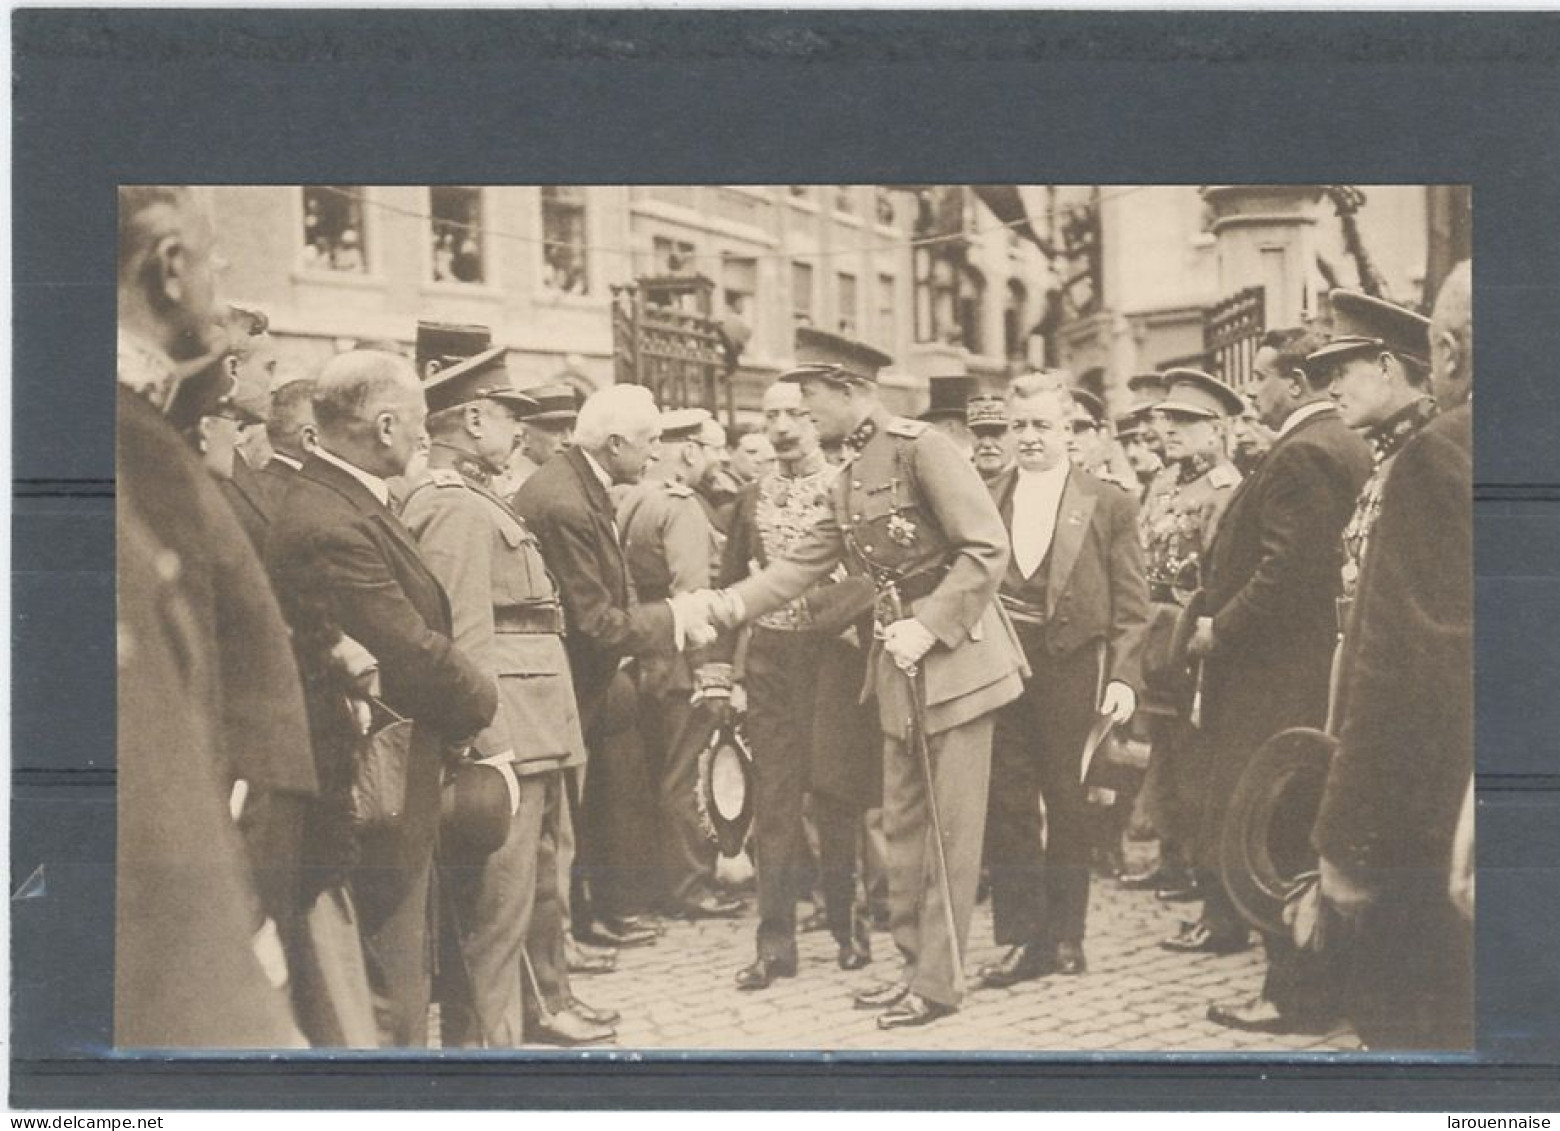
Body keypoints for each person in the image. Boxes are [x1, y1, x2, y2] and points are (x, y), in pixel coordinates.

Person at [709, 328, 1026, 1029]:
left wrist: (932, 621)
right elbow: (802, 562)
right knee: (908, 825)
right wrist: (726, 604)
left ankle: (940, 984)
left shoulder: (922, 448)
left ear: (851, 390)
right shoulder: (852, 471)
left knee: (949, 833)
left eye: (811, 395)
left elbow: (985, 546)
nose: (801, 410)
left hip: (955, 659)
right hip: (898, 661)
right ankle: (912, 967)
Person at [116, 184, 313, 1049]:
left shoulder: (147, 427)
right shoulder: (129, 443)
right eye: (216, 260)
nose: (224, 294)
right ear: (170, 268)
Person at [267, 350, 498, 1047]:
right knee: (391, 984)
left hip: (396, 763)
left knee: (403, 971)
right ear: (387, 426)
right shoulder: (332, 518)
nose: (427, 438)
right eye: (423, 424)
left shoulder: (344, 500)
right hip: (373, 777)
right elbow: (410, 652)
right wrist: (483, 697)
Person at [399, 348, 616, 1048]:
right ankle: (487, 1050)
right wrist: (486, 745)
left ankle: (526, 1018)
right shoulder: (453, 504)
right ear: (470, 417)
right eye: (508, 415)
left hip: (536, 721)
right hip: (509, 731)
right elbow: (465, 631)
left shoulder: (477, 496)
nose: (519, 430)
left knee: (535, 890)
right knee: (497, 909)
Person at [1188, 328, 1372, 1031]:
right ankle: (1311, 985)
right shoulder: (1335, 444)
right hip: (1295, 670)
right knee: (1298, 824)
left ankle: (1291, 992)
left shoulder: (1302, 453)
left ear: (1295, 383)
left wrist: (1218, 627)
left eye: (1261, 377)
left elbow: (1286, 572)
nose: (1252, 392)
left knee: (1275, 828)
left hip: (1274, 679)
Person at [1313, 269, 1473, 1050]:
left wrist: (1350, 837)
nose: (1330, 386)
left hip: (1430, 790)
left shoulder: (1432, 454)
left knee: (1421, 1018)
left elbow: (1409, 665)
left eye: (1342, 368)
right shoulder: (1399, 455)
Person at [512, 385, 718, 950]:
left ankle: (589, 921)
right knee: (569, 819)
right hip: (572, 683)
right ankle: (570, 937)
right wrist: (675, 614)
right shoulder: (565, 501)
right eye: (650, 441)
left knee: (596, 808)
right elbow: (596, 621)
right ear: (615, 442)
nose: (657, 454)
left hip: (591, 682)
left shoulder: (581, 485)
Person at [975, 373, 1148, 987]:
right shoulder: (983, 496)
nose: (1027, 437)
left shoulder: (1108, 502)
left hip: (1073, 665)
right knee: (1010, 801)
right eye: (1017, 425)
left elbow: (1133, 604)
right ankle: (1024, 938)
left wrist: (1125, 675)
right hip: (1000, 667)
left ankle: (1068, 934)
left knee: (1068, 800)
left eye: (1041, 425)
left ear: (1068, 429)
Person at [721, 380, 880, 989]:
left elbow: (872, 580)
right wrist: (717, 671)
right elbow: (731, 584)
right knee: (775, 802)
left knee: (837, 797)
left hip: (834, 663)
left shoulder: (850, 492)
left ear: (819, 423)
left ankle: (848, 928)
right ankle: (775, 944)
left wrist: (824, 612)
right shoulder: (748, 499)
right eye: (771, 416)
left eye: (796, 414)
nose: (783, 427)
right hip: (769, 662)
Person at [617, 408, 744, 920]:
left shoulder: (633, 500)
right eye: (712, 448)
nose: (719, 460)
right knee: (685, 774)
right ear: (689, 450)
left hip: (646, 654)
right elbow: (693, 598)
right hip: (681, 662)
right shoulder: (680, 506)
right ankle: (690, 886)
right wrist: (711, 673)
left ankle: (661, 883)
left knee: (657, 774)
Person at [1124, 369, 1244, 910]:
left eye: (1186, 421)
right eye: (1169, 419)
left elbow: (1221, 568)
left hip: (1188, 625)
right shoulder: (1163, 483)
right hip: (1153, 626)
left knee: (1195, 753)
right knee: (1162, 749)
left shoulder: (1226, 488)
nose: (1169, 430)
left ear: (1215, 429)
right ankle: (1171, 859)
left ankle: (1199, 866)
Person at [502, 381, 578, 497]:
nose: (568, 440)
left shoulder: (562, 484)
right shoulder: (516, 492)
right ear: (523, 435)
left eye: (572, 429)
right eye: (556, 429)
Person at [1066, 386, 1137, 492]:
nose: (1069, 438)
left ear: (1102, 434)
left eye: (1079, 429)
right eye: (1062, 430)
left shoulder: (1117, 493)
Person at [918, 374, 977, 459]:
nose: (929, 433)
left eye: (934, 427)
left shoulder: (949, 463)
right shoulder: (980, 465)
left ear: (950, 426)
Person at [967, 394, 1013, 482]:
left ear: (1013, 436)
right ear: (970, 436)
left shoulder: (1026, 481)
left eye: (995, 434)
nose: (987, 444)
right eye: (979, 434)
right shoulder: (958, 478)